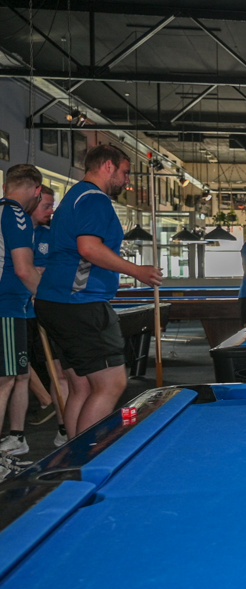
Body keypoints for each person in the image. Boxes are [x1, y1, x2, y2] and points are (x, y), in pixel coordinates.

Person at [36, 144, 163, 438]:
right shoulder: (95, 199)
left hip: (56, 302)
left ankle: (73, 455)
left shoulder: (75, 195)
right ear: (108, 166)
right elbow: (89, 248)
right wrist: (137, 271)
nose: (127, 181)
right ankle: (88, 457)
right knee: (111, 384)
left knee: (81, 387)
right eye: (125, 172)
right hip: (80, 303)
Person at [0, 166, 44, 456]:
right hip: (7, 306)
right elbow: (23, 269)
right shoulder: (16, 215)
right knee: (4, 381)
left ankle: (17, 438)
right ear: (37, 190)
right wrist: (48, 298)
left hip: (15, 306)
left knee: (20, 375)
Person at [23, 185, 68, 446]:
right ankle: (17, 433)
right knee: (15, 374)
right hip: (16, 310)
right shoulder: (14, 232)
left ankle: (64, 430)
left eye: (52, 206)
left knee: (59, 373)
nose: (51, 211)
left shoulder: (49, 235)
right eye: (46, 206)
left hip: (45, 311)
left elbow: (59, 270)